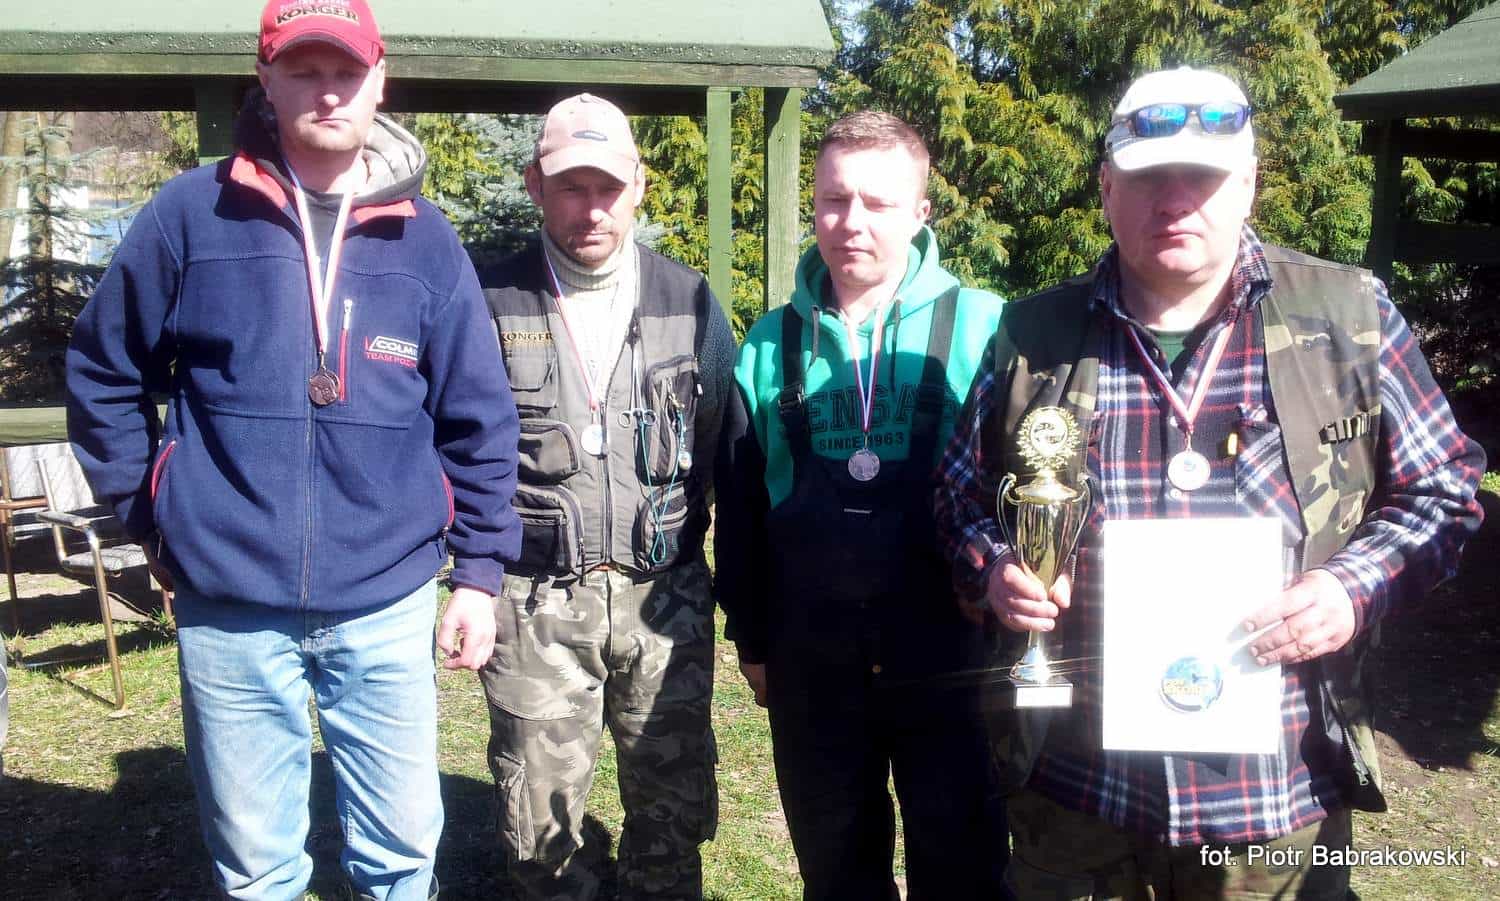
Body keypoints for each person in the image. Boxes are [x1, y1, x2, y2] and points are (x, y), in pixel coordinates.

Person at [934, 66, 1487, 898]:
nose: (1176, 200)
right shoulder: (1032, 333)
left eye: (1204, 176)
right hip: (1076, 792)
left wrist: (1351, 588)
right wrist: (995, 568)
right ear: (1106, 188)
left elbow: (1446, 486)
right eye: (1149, 177)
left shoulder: (1350, 315)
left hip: (1278, 795)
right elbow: (957, 496)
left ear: (1249, 184)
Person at [65, 2, 522, 897]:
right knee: (256, 866)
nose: (328, 91)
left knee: (401, 855)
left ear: (379, 80)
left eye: (345, 71)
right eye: (304, 70)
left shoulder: (426, 239)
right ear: (265, 79)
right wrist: (155, 515)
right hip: (229, 603)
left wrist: (478, 575)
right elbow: (102, 370)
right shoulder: (189, 215)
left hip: (386, 597)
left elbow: (479, 415)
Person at [715, 111, 1010, 900]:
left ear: (920, 211)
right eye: (834, 199)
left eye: (878, 202)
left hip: (950, 651)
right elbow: (741, 507)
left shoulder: (986, 326)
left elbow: (1023, 489)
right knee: (838, 869)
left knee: (965, 866)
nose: (852, 222)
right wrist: (751, 638)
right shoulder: (768, 344)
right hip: (812, 657)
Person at [476, 93, 735, 901]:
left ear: (639, 185)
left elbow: (723, 448)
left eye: (608, 188)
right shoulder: (489, 299)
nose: (592, 209)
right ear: (535, 185)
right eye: (571, 187)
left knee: (672, 809)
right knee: (541, 825)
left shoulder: (688, 300)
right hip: (535, 602)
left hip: (665, 603)